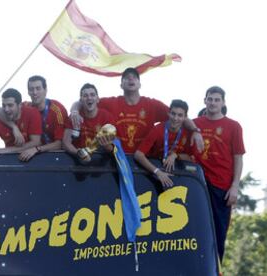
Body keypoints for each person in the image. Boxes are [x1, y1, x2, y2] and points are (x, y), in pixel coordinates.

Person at [70, 67, 204, 153]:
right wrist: (75, 111)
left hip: (143, 161)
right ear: (121, 85)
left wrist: (195, 130)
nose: (130, 78)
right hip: (117, 159)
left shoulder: (152, 104)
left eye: (134, 77)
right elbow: (83, 102)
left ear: (140, 84)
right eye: (126, 77)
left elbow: (178, 117)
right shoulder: (111, 102)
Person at [192, 86, 245, 262]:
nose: (213, 103)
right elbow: (180, 122)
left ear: (223, 103)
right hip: (197, 183)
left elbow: (238, 157)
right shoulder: (195, 123)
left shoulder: (233, 126)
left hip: (221, 186)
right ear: (204, 100)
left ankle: (215, 270)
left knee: (218, 233)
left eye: (217, 99)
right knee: (194, 229)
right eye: (210, 99)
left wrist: (235, 186)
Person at [0, 75, 68, 161]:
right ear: (28, 92)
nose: (35, 92)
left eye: (38, 88)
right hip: (33, 155)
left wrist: (37, 149)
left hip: (56, 156)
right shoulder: (26, 106)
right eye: (31, 89)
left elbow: (60, 144)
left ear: (45, 90)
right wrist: (14, 127)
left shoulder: (57, 109)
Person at [134, 99, 192, 187]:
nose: (175, 118)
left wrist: (175, 155)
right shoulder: (157, 130)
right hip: (154, 174)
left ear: (185, 117)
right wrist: (157, 172)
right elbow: (138, 155)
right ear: (168, 113)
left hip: (177, 176)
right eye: (173, 114)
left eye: (180, 115)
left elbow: (190, 158)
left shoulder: (187, 132)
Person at [0, 88, 42, 160]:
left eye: (10, 105)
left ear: (20, 105)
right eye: (4, 105)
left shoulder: (32, 113)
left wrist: (4, 150)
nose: (6, 109)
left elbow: (36, 142)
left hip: (34, 159)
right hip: (10, 161)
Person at [62, 83, 114, 157]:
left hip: (102, 163)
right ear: (81, 100)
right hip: (77, 163)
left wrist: (107, 146)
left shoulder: (107, 117)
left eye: (92, 95)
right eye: (85, 95)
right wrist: (79, 154)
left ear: (98, 99)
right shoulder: (74, 116)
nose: (89, 98)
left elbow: (113, 149)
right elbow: (65, 143)